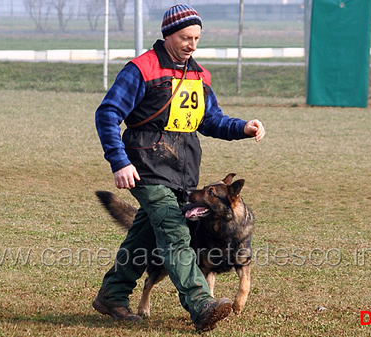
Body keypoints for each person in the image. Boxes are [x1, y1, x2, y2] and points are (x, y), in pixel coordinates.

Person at [93, 4, 265, 332]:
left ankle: (112, 293)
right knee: (175, 233)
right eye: (186, 37)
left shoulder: (198, 75)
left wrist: (242, 127)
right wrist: (119, 161)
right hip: (145, 167)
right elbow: (107, 113)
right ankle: (202, 304)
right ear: (168, 34)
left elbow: (210, 119)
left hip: (182, 174)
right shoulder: (141, 68)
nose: (192, 44)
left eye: (197, 38)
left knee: (144, 236)